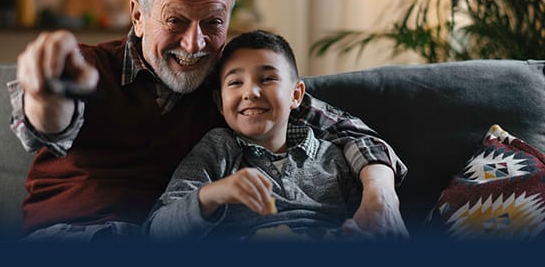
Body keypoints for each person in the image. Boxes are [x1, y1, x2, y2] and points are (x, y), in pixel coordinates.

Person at [8, 0, 408, 242]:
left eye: (213, 22)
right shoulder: (87, 68)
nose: (194, 43)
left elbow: (347, 131)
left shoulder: (232, 87)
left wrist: (380, 195)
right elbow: (47, 125)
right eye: (176, 21)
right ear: (138, 17)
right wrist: (45, 92)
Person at [143, 30, 408, 241]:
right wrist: (213, 194)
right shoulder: (217, 150)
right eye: (236, 82)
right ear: (219, 103)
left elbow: (373, 227)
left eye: (267, 79)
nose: (251, 92)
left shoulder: (333, 158)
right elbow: (157, 231)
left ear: (296, 95)